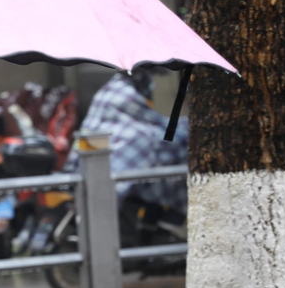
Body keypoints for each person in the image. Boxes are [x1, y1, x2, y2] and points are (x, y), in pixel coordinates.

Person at [61, 68, 190, 216]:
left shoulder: (111, 88)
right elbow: (150, 122)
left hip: (88, 164)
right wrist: (185, 127)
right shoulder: (124, 93)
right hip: (104, 170)